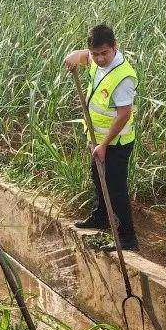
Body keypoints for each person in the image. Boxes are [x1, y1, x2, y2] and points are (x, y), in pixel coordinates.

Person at [64, 23, 138, 251]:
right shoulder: (96, 61)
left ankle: (127, 238)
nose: (99, 59)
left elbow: (124, 115)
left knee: (115, 189)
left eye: (104, 53)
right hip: (98, 139)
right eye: (95, 54)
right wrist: (76, 55)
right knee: (97, 177)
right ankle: (101, 217)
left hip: (116, 143)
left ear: (115, 47)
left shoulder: (123, 77)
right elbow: (85, 56)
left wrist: (104, 145)